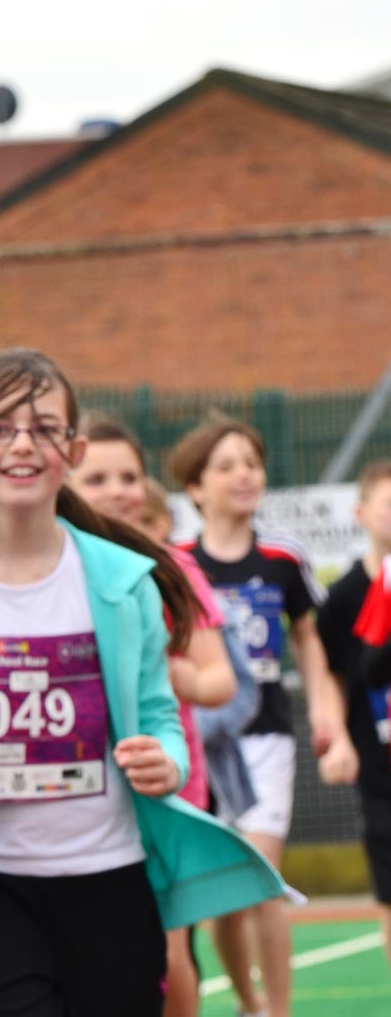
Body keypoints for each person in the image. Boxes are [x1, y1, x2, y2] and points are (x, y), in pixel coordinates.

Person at [0, 348, 287, 1017]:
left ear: (74, 447)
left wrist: (167, 761)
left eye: (44, 428)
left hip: (112, 879)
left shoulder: (121, 584)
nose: (23, 445)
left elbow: (159, 719)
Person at [171, 413, 356, 1017]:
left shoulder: (282, 556)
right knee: (224, 893)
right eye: (226, 466)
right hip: (202, 743)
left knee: (262, 879)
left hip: (267, 736)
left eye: (251, 462)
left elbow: (308, 638)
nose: (244, 475)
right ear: (196, 487)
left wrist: (327, 713)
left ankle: (278, 1009)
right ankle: (248, 1000)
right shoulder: (178, 564)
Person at [71, 416, 238, 1017]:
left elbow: (220, 680)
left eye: (130, 476)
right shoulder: (48, 568)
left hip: (163, 783)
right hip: (70, 789)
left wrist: (167, 670)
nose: (118, 490)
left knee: (167, 950)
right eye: (97, 477)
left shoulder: (167, 568)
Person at [314, 461, 391, 972]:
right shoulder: (344, 599)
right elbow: (335, 677)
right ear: (361, 512)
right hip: (379, 764)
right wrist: (336, 738)